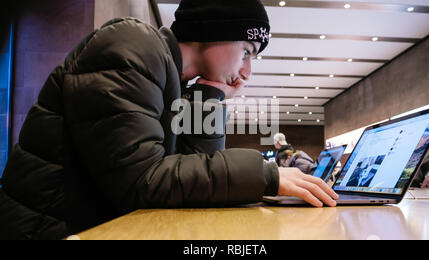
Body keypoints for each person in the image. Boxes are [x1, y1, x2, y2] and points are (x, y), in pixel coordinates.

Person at [0, 0, 338, 240]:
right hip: (44, 231)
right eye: (247, 50)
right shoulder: (131, 47)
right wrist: (266, 174)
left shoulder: (174, 83)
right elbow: (144, 182)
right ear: (213, 31)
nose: (247, 72)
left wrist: (210, 95)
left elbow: (189, 176)